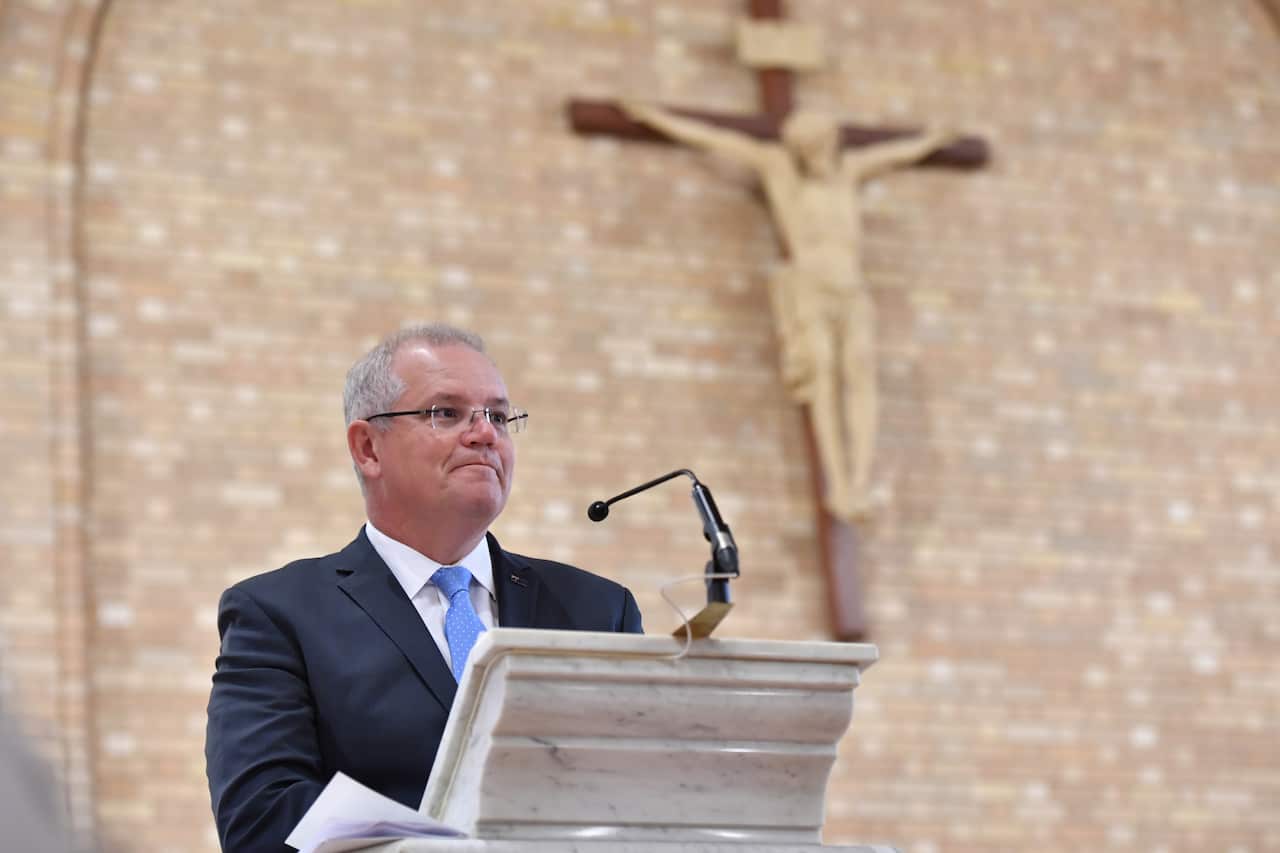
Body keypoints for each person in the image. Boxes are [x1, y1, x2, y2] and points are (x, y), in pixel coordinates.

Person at [205, 324, 643, 852]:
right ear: (368, 448)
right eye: (447, 413)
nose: (485, 434)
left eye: (498, 416)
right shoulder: (280, 614)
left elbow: (648, 797)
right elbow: (264, 817)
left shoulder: (599, 611)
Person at [625, 104, 958, 520]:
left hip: (851, 289)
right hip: (810, 287)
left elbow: (896, 154)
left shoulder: (848, 171)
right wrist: (654, 117)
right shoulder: (779, 170)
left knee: (860, 371)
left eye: (823, 144)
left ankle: (860, 482)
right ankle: (838, 485)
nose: (818, 154)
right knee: (822, 374)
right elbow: (715, 139)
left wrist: (933, 140)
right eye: (809, 147)